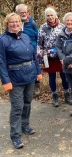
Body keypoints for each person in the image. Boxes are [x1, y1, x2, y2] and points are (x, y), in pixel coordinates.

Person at [0, 13, 42, 149]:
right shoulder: (3, 40)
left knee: (28, 103)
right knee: (17, 107)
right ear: (7, 24)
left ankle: (25, 126)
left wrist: (38, 71)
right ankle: (16, 136)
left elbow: (34, 56)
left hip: (30, 76)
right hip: (15, 79)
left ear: (21, 23)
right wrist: (6, 81)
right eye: (12, 22)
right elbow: (1, 62)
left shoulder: (25, 36)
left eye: (17, 21)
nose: (15, 24)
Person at [38, 7, 71, 107]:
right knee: (52, 77)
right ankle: (55, 96)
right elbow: (39, 43)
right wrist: (42, 53)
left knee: (64, 75)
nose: (50, 17)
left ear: (56, 15)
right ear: (46, 17)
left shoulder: (62, 27)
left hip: (61, 55)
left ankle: (67, 94)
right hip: (48, 57)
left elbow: (67, 41)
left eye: (52, 15)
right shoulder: (43, 28)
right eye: (48, 15)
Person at [15, 4, 40, 96]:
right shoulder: (14, 23)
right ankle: (24, 88)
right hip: (19, 50)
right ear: (17, 13)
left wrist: (37, 48)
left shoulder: (32, 23)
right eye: (22, 13)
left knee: (35, 66)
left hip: (32, 49)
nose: (24, 14)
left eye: (25, 12)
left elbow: (38, 36)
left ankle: (36, 86)